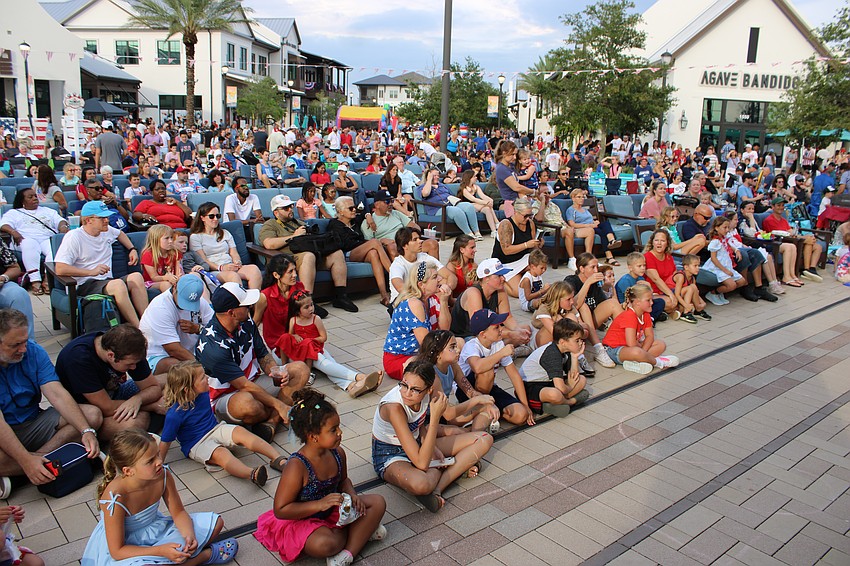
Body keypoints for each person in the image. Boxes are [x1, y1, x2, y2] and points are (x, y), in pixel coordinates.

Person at [255, 388, 387, 564]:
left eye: (338, 426)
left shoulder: (337, 452)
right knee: (327, 544)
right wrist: (319, 504)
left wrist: (353, 495)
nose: (340, 432)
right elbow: (281, 510)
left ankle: (347, 554)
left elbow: (343, 481)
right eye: (333, 430)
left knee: (378, 502)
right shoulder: (297, 466)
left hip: (333, 510)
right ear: (313, 437)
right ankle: (360, 532)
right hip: (302, 520)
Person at [81, 429, 237, 565]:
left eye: (157, 455)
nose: (159, 461)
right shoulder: (114, 497)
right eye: (150, 461)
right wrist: (160, 551)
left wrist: (189, 535)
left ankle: (180, 557)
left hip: (157, 531)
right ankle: (203, 557)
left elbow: (178, 513)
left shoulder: (162, 475)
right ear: (128, 471)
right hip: (128, 547)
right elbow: (117, 551)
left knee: (216, 523)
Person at [0, 309, 101, 497]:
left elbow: (56, 394)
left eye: (24, 341)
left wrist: (85, 431)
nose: (23, 349)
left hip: (33, 422)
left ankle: (30, 468)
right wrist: (24, 460)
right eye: (15, 344)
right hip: (3, 430)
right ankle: (38, 466)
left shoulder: (33, 351)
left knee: (91, 416)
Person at [371, 360, 493, 512]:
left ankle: (438, 487)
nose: (407, 393)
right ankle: (452, 467)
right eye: (403, 385)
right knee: (421, 484)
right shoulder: (393, 407)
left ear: (428, 390)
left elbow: (419, 422)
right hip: (390, 454)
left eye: (415, 389)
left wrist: (431, 446)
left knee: (484, 438)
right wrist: (434, 418)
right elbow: (422, 463)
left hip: (417, 442)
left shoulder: (429, 392)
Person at [195, 283, 310, 442]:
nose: (250, 307)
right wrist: (279, 404)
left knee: (301, 369)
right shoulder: (213, 346)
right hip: (226, 395)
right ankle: (279, 411)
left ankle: (271, 422)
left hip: (252, 381)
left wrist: (275, 370)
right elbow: (242, 385)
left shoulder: (245, 322)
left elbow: (262, 353)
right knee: (248, 404)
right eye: (246, 305)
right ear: (232, 312)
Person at [160, 361, 285, 486]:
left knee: (241, 432)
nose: (208, 379)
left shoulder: (202, 392)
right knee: (222, 454)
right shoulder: (174, 415)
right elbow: (166, 441)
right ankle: (252, 474)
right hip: (197, 443)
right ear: (187, 389)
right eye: (203, 377)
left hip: (215, 428)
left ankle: (278, 459)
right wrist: (159, 463)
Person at [55, 324, 165, 442]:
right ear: (111, 355)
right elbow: (106, 407)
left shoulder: (130, 348)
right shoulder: (79, 358)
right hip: (89, 410)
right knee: (137, 422)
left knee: (171, 380)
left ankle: (153, 420)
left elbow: (153, 387)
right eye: (129, 364)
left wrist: (138, 400)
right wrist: (152, 406)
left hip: (116, 393)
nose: (134, 367)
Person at [257, 195, 358, 312]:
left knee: (337, 253)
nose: (290, 209)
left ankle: (341, 296)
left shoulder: (297, 222)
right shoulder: (270, 224)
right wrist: (294, 236)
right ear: (276, 212)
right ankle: (307, 301)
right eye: (285, 208)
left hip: (311, 257)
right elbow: (269, 244)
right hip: (289, 259)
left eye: (291, 206)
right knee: (309, 256)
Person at [55, 201, 148, 326]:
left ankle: (148, 322)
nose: (107, 221)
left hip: (106, 281)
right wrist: (91, 272)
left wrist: (132, 249)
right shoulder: (74, 237)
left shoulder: (106, 230)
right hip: (85, 283)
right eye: (102, 218)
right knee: (118, 285)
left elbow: (120, 234)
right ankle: (140, 328)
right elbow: (60, 268)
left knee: (136, 277)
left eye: (107, 217)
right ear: (88, 220)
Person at [276, 289, 382, 399]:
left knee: (327, 365)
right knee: (326, 365)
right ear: (298, 311)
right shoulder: (293, 320)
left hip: (315, 349)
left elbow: (323, 338)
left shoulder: (316, 319)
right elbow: (288, 337)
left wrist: (311, 341)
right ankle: (358, 378)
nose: (311, 308)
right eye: (306, 307)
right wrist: (295, 336)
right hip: (302, 351)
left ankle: (353, 383)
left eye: (312, 305)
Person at [457, 309, 534, 426]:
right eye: (496, 328)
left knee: (520, 415)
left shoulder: (498, 344)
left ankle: (490, 412)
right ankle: (481, 409)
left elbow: (514, 376)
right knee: (487, 370)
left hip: (489, 388)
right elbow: (477, 367)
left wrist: (526, 406)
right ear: (483, 334)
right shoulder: (471, 346)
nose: (501, 329)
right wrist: (502, 353)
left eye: (500, 326)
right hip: (467, 391)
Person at [414, 330, 500, 433]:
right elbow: (448, 413)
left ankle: (472, 433)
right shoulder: (433, 376)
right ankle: (470, 433)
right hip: (427, 421)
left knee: (487, 409)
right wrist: (478, 400)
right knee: (458, 431)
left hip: (444, 416)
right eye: (452, 347)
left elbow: (470, 391)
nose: (458, 350)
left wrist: (487, 403)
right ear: (438, 353)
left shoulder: (452, 366)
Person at [383, 262, 452, 380]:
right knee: (434, 363)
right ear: (421, 284)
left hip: (419, 354)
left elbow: (445, 330)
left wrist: (444, 301)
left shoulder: (432, 298)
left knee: (455, 347)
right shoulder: (414, 303)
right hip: (401, 358)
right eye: (435, 277)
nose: (440, 279)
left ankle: (467, 390)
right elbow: (426, 343)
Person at [451, 257, 532, 350]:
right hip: (469, 335)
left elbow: (508, 317)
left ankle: (500, 353)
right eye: (499, 276)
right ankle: (502, 353)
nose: (504, 278)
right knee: (484, 343)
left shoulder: (500, 290)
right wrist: (511, 334)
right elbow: (481, 328)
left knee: (525, 329)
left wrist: (518, 330)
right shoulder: (473, 293)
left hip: (490, 332)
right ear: (486, 279)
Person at [1, 188, 69, 297]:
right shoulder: (14, 213)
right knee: (29, 244)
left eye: (35, 196)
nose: (34, 199)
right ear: (22, 201)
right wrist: (13, 231)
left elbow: (60, 220)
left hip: (47, 238)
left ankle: (48, 279)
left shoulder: (47, 210)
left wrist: (63, 227)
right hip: (25, 239)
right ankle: (35, 280)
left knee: (54, 248)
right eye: (30, 197)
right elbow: (4, 225)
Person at [139, 275, 212, 376]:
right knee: (178, 367)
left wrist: (198, 328)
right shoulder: (160, 307)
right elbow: (173, 350)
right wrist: (202, 368)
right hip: (157, 356)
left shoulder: (200, 302)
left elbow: (215, 328)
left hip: (191, 352)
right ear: (174, 287)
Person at [328, 196, 392, 306]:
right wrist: (366, 244)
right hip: (347, 253)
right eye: (351, 208)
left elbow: (365, 211)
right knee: (375, 242)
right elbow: (346, 244)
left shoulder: (355, 220)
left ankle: (384, 295)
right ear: (340, 211)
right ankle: (396, 275)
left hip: (360, 251)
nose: (354, 210)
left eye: (355, 207)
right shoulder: (334, 224)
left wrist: (368, 216)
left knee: (373, 253)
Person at [602, 284, 680, 375]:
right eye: (648, 300)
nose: (652, 303)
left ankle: (637, 362)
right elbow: (631, 343)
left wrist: (644, 351)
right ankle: (659, 362)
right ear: (637, 302)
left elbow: (650, 336)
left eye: (651, 299)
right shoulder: (630, 315)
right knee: (637, 352)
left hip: (632, 348)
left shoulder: (645, 314)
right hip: (614, 350)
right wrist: (642, 352)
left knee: (660, 344)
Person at [519, 318, 590, 417]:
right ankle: (569, 402)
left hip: (547, 382)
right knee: (555, 394)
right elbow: (560, 387)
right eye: (577, 340)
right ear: (562, 342)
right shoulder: (552, 353)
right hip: (530, 386)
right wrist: (570, 387)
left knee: (581, 380)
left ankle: (555, 403)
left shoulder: (566, 350)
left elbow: (573, 376)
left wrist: (575, 356)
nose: (581, 343)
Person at [188, 202, 261, 289]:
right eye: (211, 216)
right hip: (214, 270)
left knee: (254, 270)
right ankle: (241, 301)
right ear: (202, 218)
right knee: (233, 276)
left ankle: (255, 301)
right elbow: (203, 260)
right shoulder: (196, 237)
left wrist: (237, 262)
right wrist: (221, 267)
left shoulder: (225, 233)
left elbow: (234, 253)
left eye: (218, 216)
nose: (215, 219)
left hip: (230, 265)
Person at [737, 201, 796, 291]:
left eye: (753, 209)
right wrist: (752, 219)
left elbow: (759, 231)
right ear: (742, 210)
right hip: (750, 244)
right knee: (767, 256)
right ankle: (772, 283)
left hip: (760, 243)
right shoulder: (741, 221)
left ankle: (779, 280)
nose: (751, 211)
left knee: (790, 247)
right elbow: (752, 234)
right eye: (749, 209)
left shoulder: (752, 219)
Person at [388, 227, 456, 304]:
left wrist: (447, 288)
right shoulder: (397, 264)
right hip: (402, 303)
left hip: (422, 297)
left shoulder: (424, 257)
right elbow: (400, 287)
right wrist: (427, 291)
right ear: (404, 246)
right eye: (415, 240)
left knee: (442, 282)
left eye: (419, 238)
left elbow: (451, 276)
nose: (420, 241)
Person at [762, 197, 823, 283]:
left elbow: (791, 232)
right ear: (773, 207)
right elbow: (777, 234)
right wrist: (802, 239)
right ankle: (802, 271)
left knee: (816, 246)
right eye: (778, 205)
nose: (781, 207)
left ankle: (810, 269)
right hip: (778, 242)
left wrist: (803, 237)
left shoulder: (784, 220)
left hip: (790, 239)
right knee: (804, 243)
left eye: (783, 205)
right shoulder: (769, 220)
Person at [362, 192, 437, 260]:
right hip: (389, 248)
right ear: (377, 205)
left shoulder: (396, 213)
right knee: (392, 247)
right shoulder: (369, 222)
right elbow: (368, 243)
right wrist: (382, 241)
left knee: (433, 243)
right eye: (387, 202)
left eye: (392, 201)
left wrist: (409, 237)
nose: (391, 204)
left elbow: (415, 227)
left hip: (407, 243)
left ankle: (435, 272)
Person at [492, 198, 543, 297]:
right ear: (516, 212)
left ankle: (522, 277)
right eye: (525, 216)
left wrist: (537, 244)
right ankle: (500, 279)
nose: (528, 218)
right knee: (518, 293)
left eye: (530, 215)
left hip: (522, 259)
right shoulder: (506, 225)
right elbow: (506, 250)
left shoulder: (530, 223)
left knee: (537, 265)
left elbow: (532, 247)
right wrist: (526, 245)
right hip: (505, 262)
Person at [564, 252, 624, 330]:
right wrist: (588, 283)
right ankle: (594, 340)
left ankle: (624, 334)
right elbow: (573, 306)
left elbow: (604, 303)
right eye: (593, 267)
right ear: (582, 269)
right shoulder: (571, 281)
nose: (596, 271)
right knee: (583, 306)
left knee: (613, 303)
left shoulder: (595, 283)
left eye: (597, 267)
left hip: (591, 319)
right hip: (575, 320)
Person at [419, 167, 481, 240]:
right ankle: (468, 233)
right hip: (438, 208)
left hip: (451, 204)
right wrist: (429, 180)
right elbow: (425, 193)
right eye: (434, 175)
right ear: (428, 176)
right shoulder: (422, 187)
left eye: (438, 175)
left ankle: (477, 232)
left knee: (468, 206)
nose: (437, 177)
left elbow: (451, 195)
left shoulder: (442, 185)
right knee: (455, 210)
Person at [566, 189, 622, 265]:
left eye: (582, 197)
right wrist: (590, 225)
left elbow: (590, 219)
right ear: (573, 198)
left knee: (605, 224)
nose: (581, 199)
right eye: (579, 197)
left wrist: (594, 222)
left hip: (592, 226)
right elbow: (572, 224)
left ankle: (611, 241)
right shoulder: (571, 210)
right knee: (603, 232)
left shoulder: (584, 209)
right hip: (583, 229)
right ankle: (610, 256)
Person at [702, 216, 748, 305]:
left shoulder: (724, 238)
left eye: (728, 227)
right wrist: (725, 270)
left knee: (742, 281)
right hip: (718, 267)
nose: (727, 230)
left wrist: (736, 250)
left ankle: (720, 293)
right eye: (724, 227)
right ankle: (713, 293)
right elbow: (714, 258)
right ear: (716, 228)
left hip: (727, 265)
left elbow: (729, 245)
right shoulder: (715, 242)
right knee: (732, 285)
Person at [614, 252, 668, 324]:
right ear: (630, 268)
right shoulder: (625, 280)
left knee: (660, 302)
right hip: (628, 305)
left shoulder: (641, 278)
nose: (643, 268)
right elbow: (631, 299)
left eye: (644, 265)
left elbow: (648, 296)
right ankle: (650, 318)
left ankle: (650, 318)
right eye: (639, 266)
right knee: (645, 304)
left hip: (640, 302)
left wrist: (649, 287)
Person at [642, 229, 683, 320]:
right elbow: (656, 280)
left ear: (667, 243)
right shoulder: (648, 257)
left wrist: (677, 293)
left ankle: (673, 310)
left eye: (662, 241)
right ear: (652, 242)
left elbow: (674, 275)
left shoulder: (669, 257)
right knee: (670, 302)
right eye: (656, 240)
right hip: (655, 291)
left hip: (668, 289)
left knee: (686, 292)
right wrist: (672, 295)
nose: (659, 243)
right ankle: (675, 310)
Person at [140, 224, 183, 293]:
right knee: (166, 284)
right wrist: (167, 278)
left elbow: (178, 272)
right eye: (166, 238)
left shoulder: (175, 252)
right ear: (156, 240)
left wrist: (178, 278)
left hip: (172, 280)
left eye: (171, 238)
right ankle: (176, 303)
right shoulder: (148, 254)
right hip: (152, 283)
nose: (170, 241)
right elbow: (154, 277)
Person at [669, 254, 709, 324]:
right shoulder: (681, 276)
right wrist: (686, 305)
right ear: (686, 267)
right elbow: (677, 294)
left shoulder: (692, 278)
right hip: (671, 294)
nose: (698, 268)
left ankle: (697, 310)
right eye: (695, 266)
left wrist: (702, 302)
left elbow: (696, 291)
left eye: (698, 266)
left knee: (693, 287)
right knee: (691, 288)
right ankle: (686, 312)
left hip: (681, 296)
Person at [457, 169, 498, 235]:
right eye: (474, 176)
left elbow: (482, 196)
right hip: (467, 206)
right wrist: (486, 202)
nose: (476, 178)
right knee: (487, 205)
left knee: (487, 209)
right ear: (469, 178)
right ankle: (497, 222)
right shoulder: (463, 189)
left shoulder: (476, 187)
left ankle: (493, 231)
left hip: (477, 205)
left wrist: (490, 200)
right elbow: (473, 199)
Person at [446, 235, 477, 299]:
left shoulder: (474, 266)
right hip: (455, 302)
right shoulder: (451, 266)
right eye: (472, 247)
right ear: (462, 250)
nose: (475, 250)